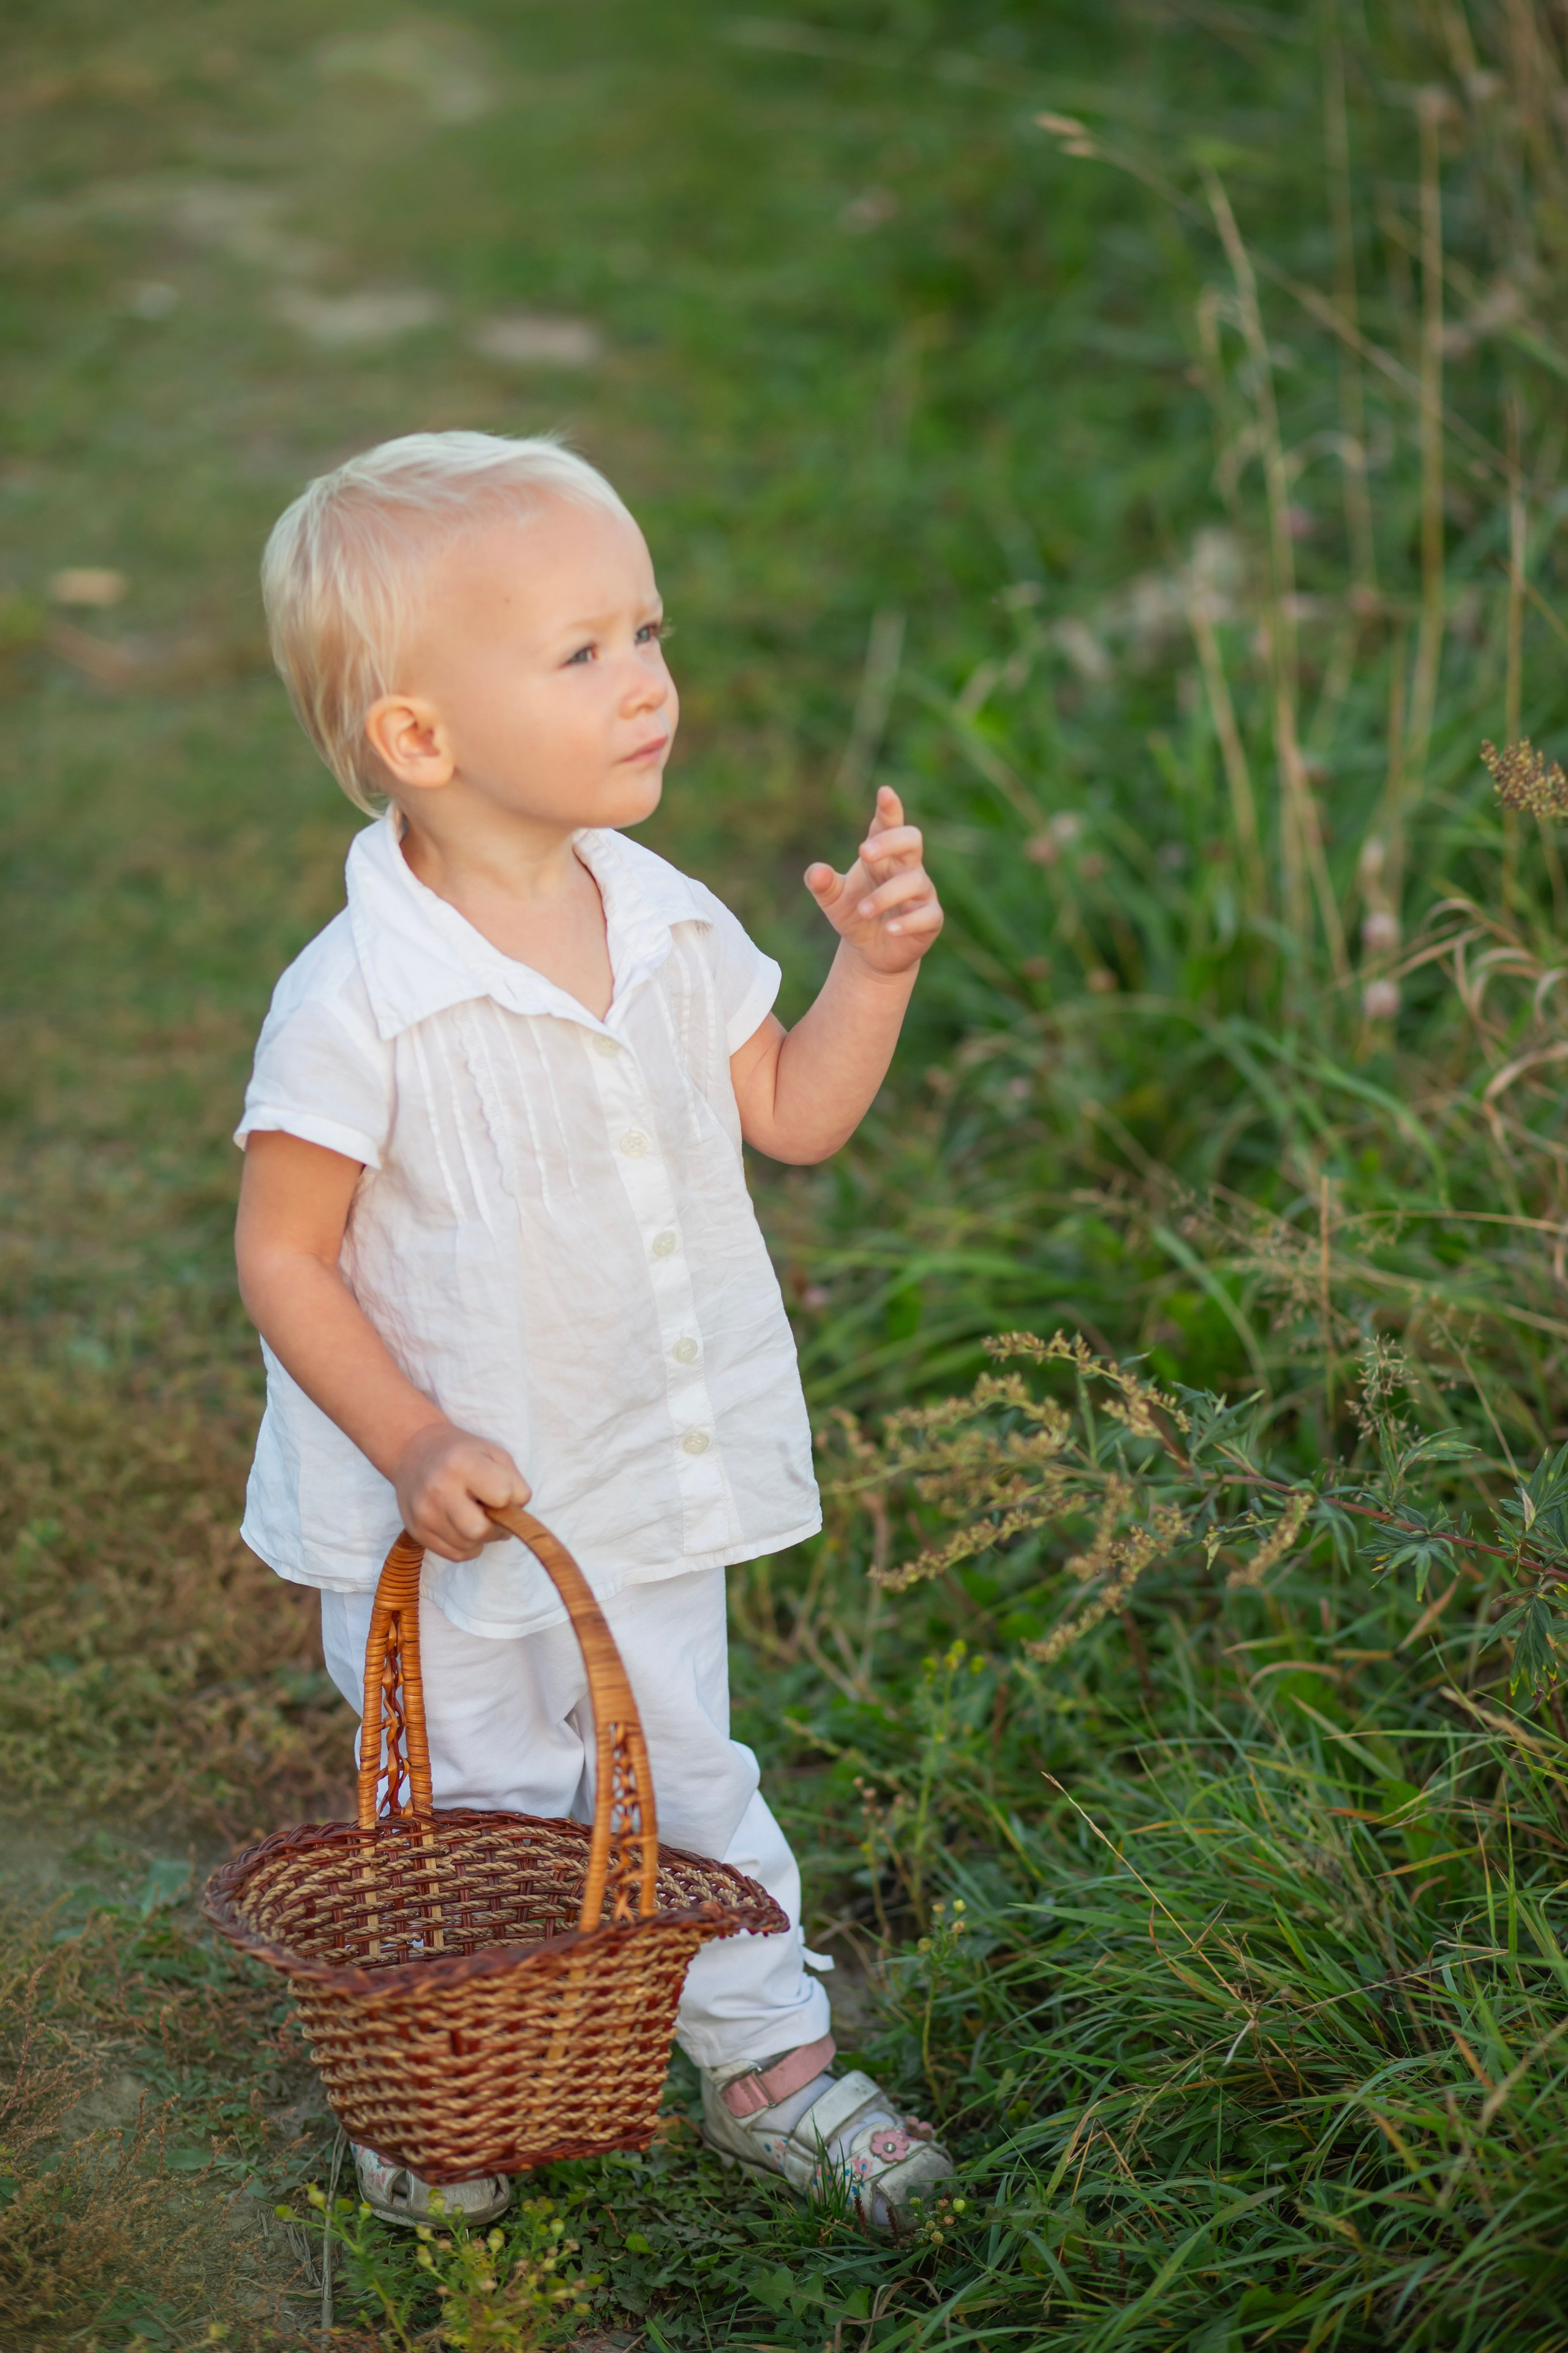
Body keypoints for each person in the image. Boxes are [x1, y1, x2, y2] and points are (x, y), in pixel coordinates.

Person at [233, 431, 950, 2232]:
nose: (650, 683)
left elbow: (788, 1112)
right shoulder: (359, 1000)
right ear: (421, 736)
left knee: (682, 1765)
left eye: (649, 632)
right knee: (480, 1802)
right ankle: (464, 2076)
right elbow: (286, 1256)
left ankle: (763, 2053)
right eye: (584, 653)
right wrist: (407, 1439)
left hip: (638, 1453)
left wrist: (871, 974)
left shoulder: (670, 919)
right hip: (458, 1498)